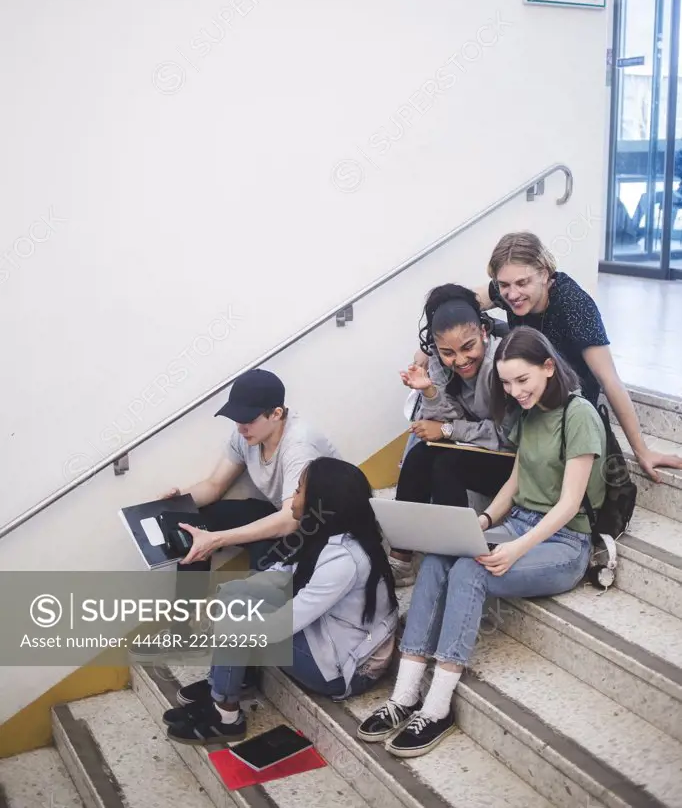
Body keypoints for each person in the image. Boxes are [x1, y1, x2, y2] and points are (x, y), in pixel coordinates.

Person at [357, 327, 605, 758]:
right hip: (519, 522)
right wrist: (486, 519)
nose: (515, 391)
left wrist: (516, 548)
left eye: (522, 380)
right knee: (439, 556)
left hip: (565, 543)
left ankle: (437, 708)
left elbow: (568, 505)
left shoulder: (579, 414)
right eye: (507, 383)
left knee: (471, 568)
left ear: (548, 367)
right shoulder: (528, 413)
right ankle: (404, 694)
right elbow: (516, 478)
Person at [163, 458, 399, 745]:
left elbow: (281, 625)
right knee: (235, 600)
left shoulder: (344, 559)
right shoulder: (321, 535)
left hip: (346, 669)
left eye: (298, 490)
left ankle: (226, 718)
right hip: (326, 636)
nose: (292, 498)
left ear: (319, 500)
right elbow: (280, 576)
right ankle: (220, 693)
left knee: (238, 621)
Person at [478, 231, 682, 481]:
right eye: (504, 285)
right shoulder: (510, 291)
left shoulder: (574, 304)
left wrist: (642, 451)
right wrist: (429, 343)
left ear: (544, 273)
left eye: (522, 283)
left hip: (569, 408)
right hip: (530, 396)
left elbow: (610, 380)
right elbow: (464, 299)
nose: (511, 294)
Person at [389, 285, 518, 587]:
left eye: (468, 347)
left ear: (484, 332)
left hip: (512, 460)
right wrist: (430, 392)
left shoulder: (504, 362)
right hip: (477, 449)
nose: (459, 360)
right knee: (420, 454)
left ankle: (460, 558)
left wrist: (448, 430)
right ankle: (401, 556)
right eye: (448, 352)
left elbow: (508, 437)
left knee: (446, 464)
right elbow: (443, 417)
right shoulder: (437, 359)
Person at [164, 368, 338, 574]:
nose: (240, 428)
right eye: (238, 419)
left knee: (265, 555)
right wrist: (175, 502)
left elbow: (289, 521)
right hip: (281, 511)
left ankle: (257, 599)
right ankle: (189, 604)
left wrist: (216, 539)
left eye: (248, 420)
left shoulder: (299, 445)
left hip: (317, 528)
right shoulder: (247, 436)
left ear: (276, 414)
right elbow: (215, 485)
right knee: (193, 523)